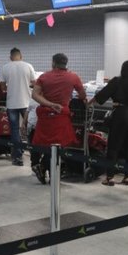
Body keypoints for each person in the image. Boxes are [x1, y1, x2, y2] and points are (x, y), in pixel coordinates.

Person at [90, 61, 128, 186]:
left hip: (122, 113)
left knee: (114, 145)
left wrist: (89, 102)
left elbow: (102, 96)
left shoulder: (117, 81)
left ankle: (110, 177)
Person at [31, 53, 86, 184]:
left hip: (45, 116)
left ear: (53, 63)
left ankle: (42, 166)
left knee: (45, 144)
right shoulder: (73, 77)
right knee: (59, 146)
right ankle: (49, 170)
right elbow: (82, 94)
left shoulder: (44, 77)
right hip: (61, 116)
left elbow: (34, 95)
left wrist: (49, 104)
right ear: (66, 64)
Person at [0, 47, 36, 166]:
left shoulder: (5, 67)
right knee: (29, 128)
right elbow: (35, 84)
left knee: (15, 130)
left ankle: (17, 157)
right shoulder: (28, 66)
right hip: (26, 103)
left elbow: (3, 88)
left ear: (10, 57)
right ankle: (34, 155)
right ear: (21, 56)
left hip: (12, 104)